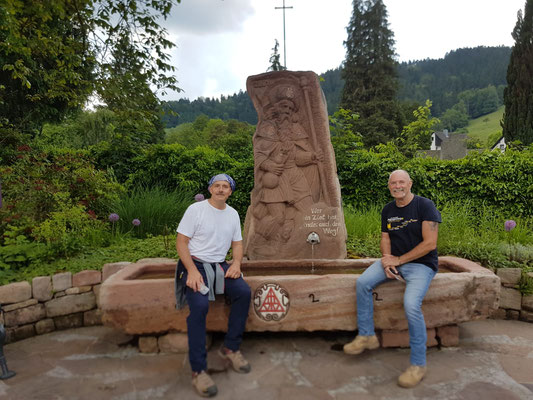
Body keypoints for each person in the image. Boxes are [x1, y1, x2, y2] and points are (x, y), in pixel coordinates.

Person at [343, 169, 441, 388]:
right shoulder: (388, 210)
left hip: (421, 266)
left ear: (410, 184)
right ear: (389, 186)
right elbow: (385, 238)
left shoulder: (425, 205)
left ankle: (418, 364)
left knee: (410, 304)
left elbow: (430, 244)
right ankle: (367, 336)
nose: (397, 186)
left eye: (401, 182)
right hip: (395, 261)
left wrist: (399, 260)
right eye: (393, 183)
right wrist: (387, 260)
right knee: (362, 283)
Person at [175, 174, 251, 398]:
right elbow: (181, 241)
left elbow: (237, 243)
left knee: (244, 293)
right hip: (195, 264)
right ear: (210, 189)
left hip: (220, 265)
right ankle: (198, 370)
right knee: (199, 306)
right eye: (216, 186)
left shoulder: (233, 214)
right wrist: (191, 270)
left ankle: (231, 347)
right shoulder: (195, 210)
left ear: (230, 191)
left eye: (225, 186)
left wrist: (236, 263)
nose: (220, 189)